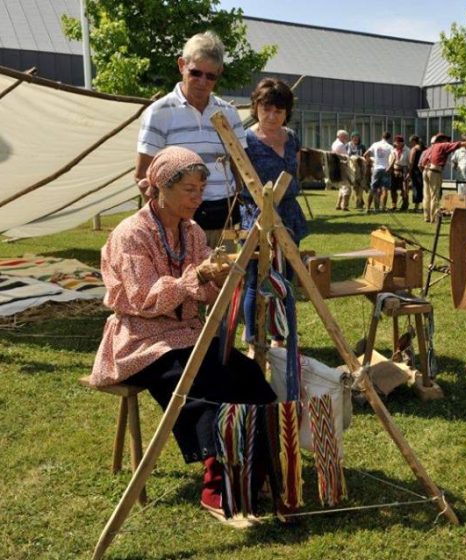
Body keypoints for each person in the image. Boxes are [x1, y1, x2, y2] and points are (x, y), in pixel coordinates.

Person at [91, 146, 277, 519]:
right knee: (203, 384)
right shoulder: (132, 234)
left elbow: (202, 292)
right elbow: (144, 298)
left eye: (200, 189)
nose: (197, 198)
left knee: (248, 374)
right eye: (189, 189)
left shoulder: (191, 232)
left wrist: (218, 276)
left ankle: (259, 470)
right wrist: (199, 275)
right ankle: (216, 484)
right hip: (141, 339)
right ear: (160, 187)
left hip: (186, 332)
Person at [135, 31, 245, 249]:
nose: (203, 82)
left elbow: (240, 170)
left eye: (211, 76)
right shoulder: (159, 113)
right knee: (179, 283)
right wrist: (168, 222)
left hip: (222, 222)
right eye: (196, 73)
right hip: (177, 226)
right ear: (181, 65)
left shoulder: (229, 114)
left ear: (219, 72)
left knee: (224, 282)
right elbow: (142, 175)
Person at [241, 78, 308, 346]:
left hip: (289, 215)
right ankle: (254, 341)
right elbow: (240, 180)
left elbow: (295, 173)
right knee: (255, 279)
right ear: (256, 107)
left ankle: (281, 339)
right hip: (257, 215)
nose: (271, 116)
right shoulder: (244, 140)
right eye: (266, 108)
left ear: (286, 113)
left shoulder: (291, 138)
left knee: (285, 279)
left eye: (278, 111)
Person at [422, 133, 466, 222]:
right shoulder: (442, 145)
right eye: (447, 140)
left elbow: (423, 162)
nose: (448, 142)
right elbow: (459, 144)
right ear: (442, 140)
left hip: (426, 170)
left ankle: (426, 217)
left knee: (427, 195)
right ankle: (434, 218)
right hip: (434, 171)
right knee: (435, 195)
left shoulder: (431, 147)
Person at [363, 131, 393, 213]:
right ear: (389, 138)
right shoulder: (390, 146)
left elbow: (365, 154)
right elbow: (394, 157)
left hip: (376, 168)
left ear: (382, 137)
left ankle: (368, 208)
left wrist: (369, 162)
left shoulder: (375, 144)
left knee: (373, 189)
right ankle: (382, 208)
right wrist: (390, 167)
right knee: (385, 189)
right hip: (385, 168)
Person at [387, 135, 410, 211]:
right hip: (394, 171)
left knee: (404, 189)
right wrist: (391, 169)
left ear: (402, 143)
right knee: (393, 189)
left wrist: (408, 173)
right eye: (395, 143)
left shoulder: (407, 150)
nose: (396, 144)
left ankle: (405, 205)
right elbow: (390, 161)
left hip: (404, 170)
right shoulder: (393, 151)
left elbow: (409, 163)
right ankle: (394, 205)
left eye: (398, 143)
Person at [346, 131, 367, 209]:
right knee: (354, 186)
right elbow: (345, 155)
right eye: (354, 137)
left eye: (357, 137)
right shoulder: (347, 145)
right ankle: (360, 200)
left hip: (361, 168)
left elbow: (365, 155)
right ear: (351, 138)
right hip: (351, 168)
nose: (355, 139)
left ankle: (359, 202)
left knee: (361, 185)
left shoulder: (362, 146)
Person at [333, 130, 351, 211]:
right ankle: (345, 206)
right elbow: (346, 157)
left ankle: (338, 204)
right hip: (342, 167)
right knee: (347, 187)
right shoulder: (341, 145)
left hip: (337, 167)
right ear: (340, 136)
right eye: (345, 137)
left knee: (342, 186)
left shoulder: (335, 143)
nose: (346, 138)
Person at [408, 135, 425, 212]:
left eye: (411, 142)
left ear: (413, 141)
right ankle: (424, 206)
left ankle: (416, 206)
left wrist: (409, 172)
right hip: (423, 170)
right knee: (423, 188)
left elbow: (411, 162)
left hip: (416, 171)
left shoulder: (414, 149)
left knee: (416, 188)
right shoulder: (425, 148)